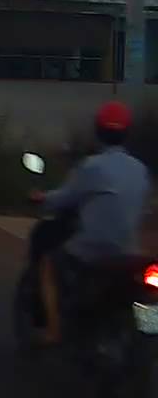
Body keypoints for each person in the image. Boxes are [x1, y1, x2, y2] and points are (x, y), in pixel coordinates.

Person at [31, 100, 151, 344]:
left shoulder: (92, 166)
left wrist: (41, 198)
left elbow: (63, 198)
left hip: (94, 249)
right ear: (127, 134)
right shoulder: (141, 170)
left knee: (49, 265)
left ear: (98, 131)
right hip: (129, 250)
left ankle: (53, 331)